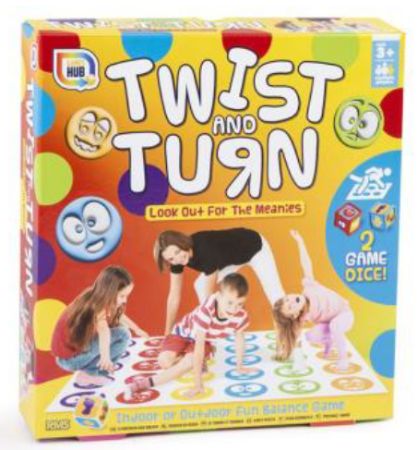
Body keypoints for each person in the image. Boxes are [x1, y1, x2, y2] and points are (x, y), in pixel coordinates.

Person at [126, 273, 256, 399]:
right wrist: (198, 383)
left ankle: (142, 384)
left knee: (188, 362)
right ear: (218, 296)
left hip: (206, 340)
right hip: (183, 333)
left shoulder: (241, 316)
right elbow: (198, 349)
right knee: (165, 362)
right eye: (230, 303)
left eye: (239, 304)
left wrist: (239, 366)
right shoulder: (207, 310)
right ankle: (196, 361)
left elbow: (239, 339)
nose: (233, 309)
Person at [154, 228, 285, 335]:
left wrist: (204, 326)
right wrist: (167, 332)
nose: (177, 259)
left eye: (177, 252)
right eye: (171, 259)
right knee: (200, 285)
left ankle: (289, 332)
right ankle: (210, 330)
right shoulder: (177, 261)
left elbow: (209, 295)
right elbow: (174, 296)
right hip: (229, 258)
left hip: (255, 247)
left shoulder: (204, 248)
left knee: (275, 293)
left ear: (182, 242)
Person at [51, 266, 148, 387]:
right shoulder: (97, 306)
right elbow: (103, 331)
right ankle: (89, 374)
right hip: (70, 360)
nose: (125, 301)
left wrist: (137, 329)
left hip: (69, 357)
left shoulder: (96, 296)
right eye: (122, 296)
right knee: (123, 334)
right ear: (109, 292)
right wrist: (105, 357)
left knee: (122, 332)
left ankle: (96, 371)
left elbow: (119, 316)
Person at [272, 230, 354, 370]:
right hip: (329, 323)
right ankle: (329, 341)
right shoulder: (303, 317)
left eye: (287, 299)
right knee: (311, 336)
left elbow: (306, 263)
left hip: (344, 314)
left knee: (335, 326)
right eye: (290, 307)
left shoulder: (309, 286)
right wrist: (284, 350)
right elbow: (295, 335)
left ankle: (343, 358)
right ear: (295, 315)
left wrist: (300, 242)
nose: (291, 301)